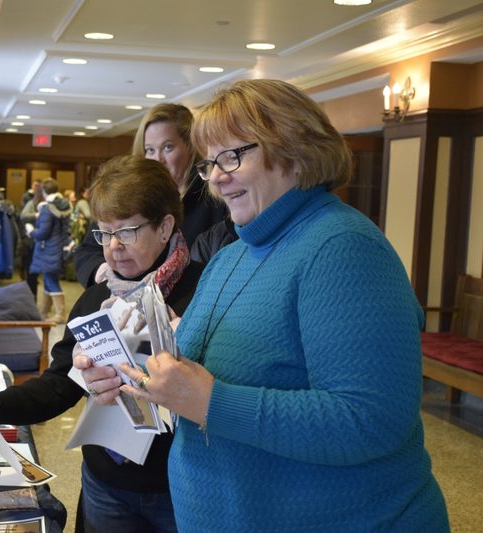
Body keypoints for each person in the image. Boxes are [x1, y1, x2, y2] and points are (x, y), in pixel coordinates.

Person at [77, 79, 450, 532]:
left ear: (294, 149)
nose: (215, 177)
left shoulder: (343, 247)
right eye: (209, 163)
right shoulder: (230, 256)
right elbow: (190, 377)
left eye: (232, 156)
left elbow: (370, 420)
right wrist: (122, 373)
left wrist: (213, 402)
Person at [0, 155, 205, 533]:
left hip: (178, 487)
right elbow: (62, 383)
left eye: (127, 232)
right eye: (104, 233)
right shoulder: (98, 297)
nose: (113, 247)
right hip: (105, 481)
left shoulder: (204, 294)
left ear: (165, 227)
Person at [74, 103, 233, 288]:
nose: (158, 159)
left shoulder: (214, 197)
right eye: (150, 150)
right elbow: (87, 251)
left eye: (167, 147)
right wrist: (108, 276)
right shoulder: (125, 193)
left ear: (190, 147)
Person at [27, 177, 72, 324]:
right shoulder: (63, 205)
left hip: (48, 249)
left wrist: (31, 231)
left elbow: (43, 233)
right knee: (48, 279)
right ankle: (44, 312)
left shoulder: (47, 209)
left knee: (51, 280)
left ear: (44, 191)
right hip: (58, 247)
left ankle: (60, 314)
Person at [19, 180, 43, 296]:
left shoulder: (41, 203)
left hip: (36, 240)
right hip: (31, 241)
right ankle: (31, 300)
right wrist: (36, 215)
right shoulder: (30, 202)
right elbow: (23, 216)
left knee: (33, 273)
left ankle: (32, 300)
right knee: (31, 273)